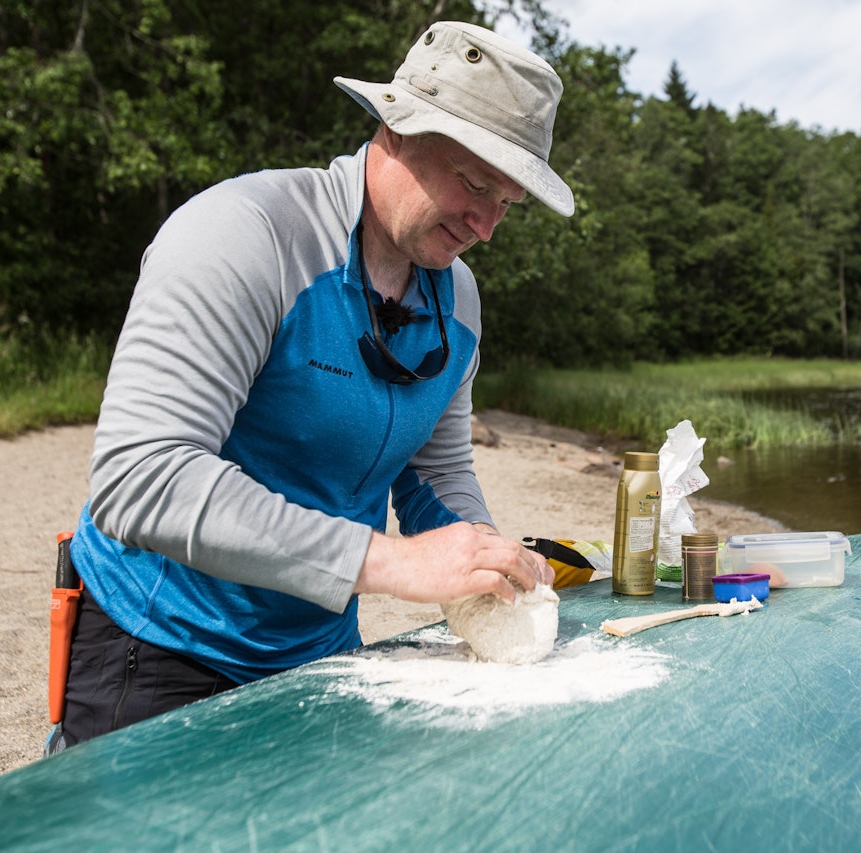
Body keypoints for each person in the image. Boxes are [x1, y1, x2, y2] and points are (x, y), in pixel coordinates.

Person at [48, 21, 572, 752]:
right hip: (162, 643)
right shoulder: (242, 236)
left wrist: (480, 562)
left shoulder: (461, 303)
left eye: (507, 203)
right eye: (475, 184)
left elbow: (436, 469)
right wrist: (393, 562)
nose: (485, 225)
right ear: (395, 126)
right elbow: (142, 478)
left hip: (321, 650)